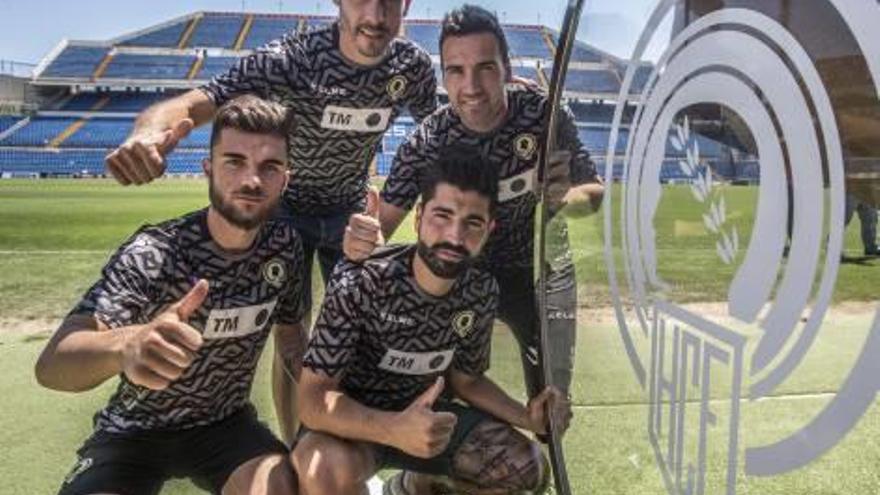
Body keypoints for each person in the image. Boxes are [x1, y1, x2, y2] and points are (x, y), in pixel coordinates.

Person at [36, 96, 306, 495]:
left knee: (281, 486)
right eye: (234, 162)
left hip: (224, 425)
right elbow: (52, 364)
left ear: (285, 179)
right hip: (134, 432)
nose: (252, 180)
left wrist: (306, 435)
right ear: (208, 168)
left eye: (270, 167)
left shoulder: (284, 246)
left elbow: (291, 341)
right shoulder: (154, 252)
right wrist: (127, 345)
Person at [105, 0, 438, 321]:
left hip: (351, 211)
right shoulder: (290, 59)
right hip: (288, 211)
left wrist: (396, 216)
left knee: (359, 325)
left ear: (406, 4)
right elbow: (198, 102)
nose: (376, 14)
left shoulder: (413, 67)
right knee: (291, 331)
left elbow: (434, 142)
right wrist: (147, 132)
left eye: (390, 0)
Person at [344, 4, 604, 400]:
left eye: (485, 67)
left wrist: (567, 198)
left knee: (552, 398)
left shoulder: (544, 116)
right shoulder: (428, 142)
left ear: (507, 67)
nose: (471, 86)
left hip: (535, 271)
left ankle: (543, 447)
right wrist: (362, 239)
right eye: (456, 71)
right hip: (458, 277)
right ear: (443, 75)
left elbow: (594, 193)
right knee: (434, 394)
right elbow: (383, 228)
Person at [293, 147, 570, 495]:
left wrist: (525, 417)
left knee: (525, 467)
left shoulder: (480, 291)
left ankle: (416, 484)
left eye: (473, 223)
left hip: (431, 425)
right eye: (442, 216)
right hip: (353, 426)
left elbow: (467, 381)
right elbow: (313, 401)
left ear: (489, 229)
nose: (455, 237)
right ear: (419, 216)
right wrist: (393, 429)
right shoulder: (361, 280)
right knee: (321, 469)